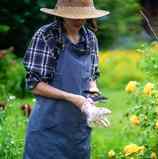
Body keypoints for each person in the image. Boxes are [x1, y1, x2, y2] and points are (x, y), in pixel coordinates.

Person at [22, 0, 112, 158]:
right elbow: (35, 84)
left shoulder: (90, 39)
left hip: (77, 132)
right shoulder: (47, 36)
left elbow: (91, 77)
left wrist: (92, 99)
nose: (79, 20)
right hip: (48, 130)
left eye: (83, 15)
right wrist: (74, 99)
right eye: (73, 16)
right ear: (61, 14)